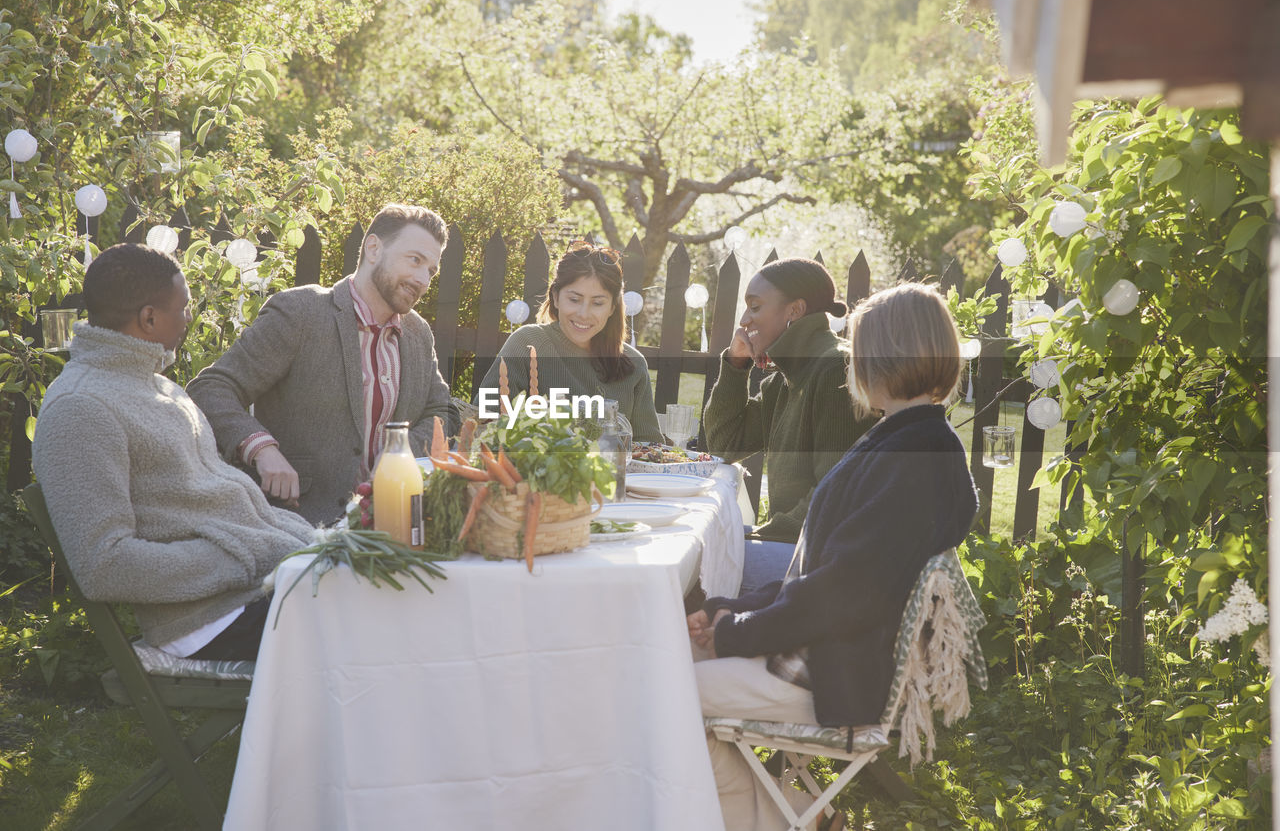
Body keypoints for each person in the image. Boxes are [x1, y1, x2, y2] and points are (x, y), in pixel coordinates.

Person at [688, 282, 979, 831]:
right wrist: (733, 607)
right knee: (665, 655)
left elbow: (843, 592)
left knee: (658, 689)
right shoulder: (904, 440)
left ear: (882, 357)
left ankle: (780, 820)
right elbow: (825, 570)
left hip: (829, 674)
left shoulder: (912, 457)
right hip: (819, 653)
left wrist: (737, 633)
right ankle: (798, 816)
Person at [32, 244, 315, 660]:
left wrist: (314, 542)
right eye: (183, 307)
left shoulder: (161, 388)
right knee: (386, 623)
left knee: (397, 594)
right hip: (209, 621)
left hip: (256, 590)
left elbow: (222, 505)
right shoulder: (81, 409)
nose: (188, 318)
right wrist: (248, 555)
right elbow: (104, 566)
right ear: (149, 318)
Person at [188, 204, 458, 525]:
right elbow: (211, 389)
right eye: (414, 260)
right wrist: (262, 449)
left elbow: (442, 413)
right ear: (373, 248)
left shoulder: (418, 333)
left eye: (430, 270)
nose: (422, 279)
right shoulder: (300, 313)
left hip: (389, 526)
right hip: (297, 522)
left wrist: (400, 454)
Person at [702, 257, 876, 595]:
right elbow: (724, 445)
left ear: (794, 311)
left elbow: (833, 498)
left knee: (701, 567)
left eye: (754, 307)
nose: (744, 320)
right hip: (791, 543)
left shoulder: (835, 370)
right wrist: (735, 366)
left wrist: (756, 534)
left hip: (825, 561)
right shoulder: (783, 382)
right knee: (700, 552)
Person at [476, 241, 662, 442]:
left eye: (598, 303)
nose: (583, 314)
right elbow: (483, 425)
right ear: (556, 297)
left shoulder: (634, 364)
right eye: (574, 299)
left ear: (612, 308)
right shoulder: (527, 344)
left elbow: (649, 448)